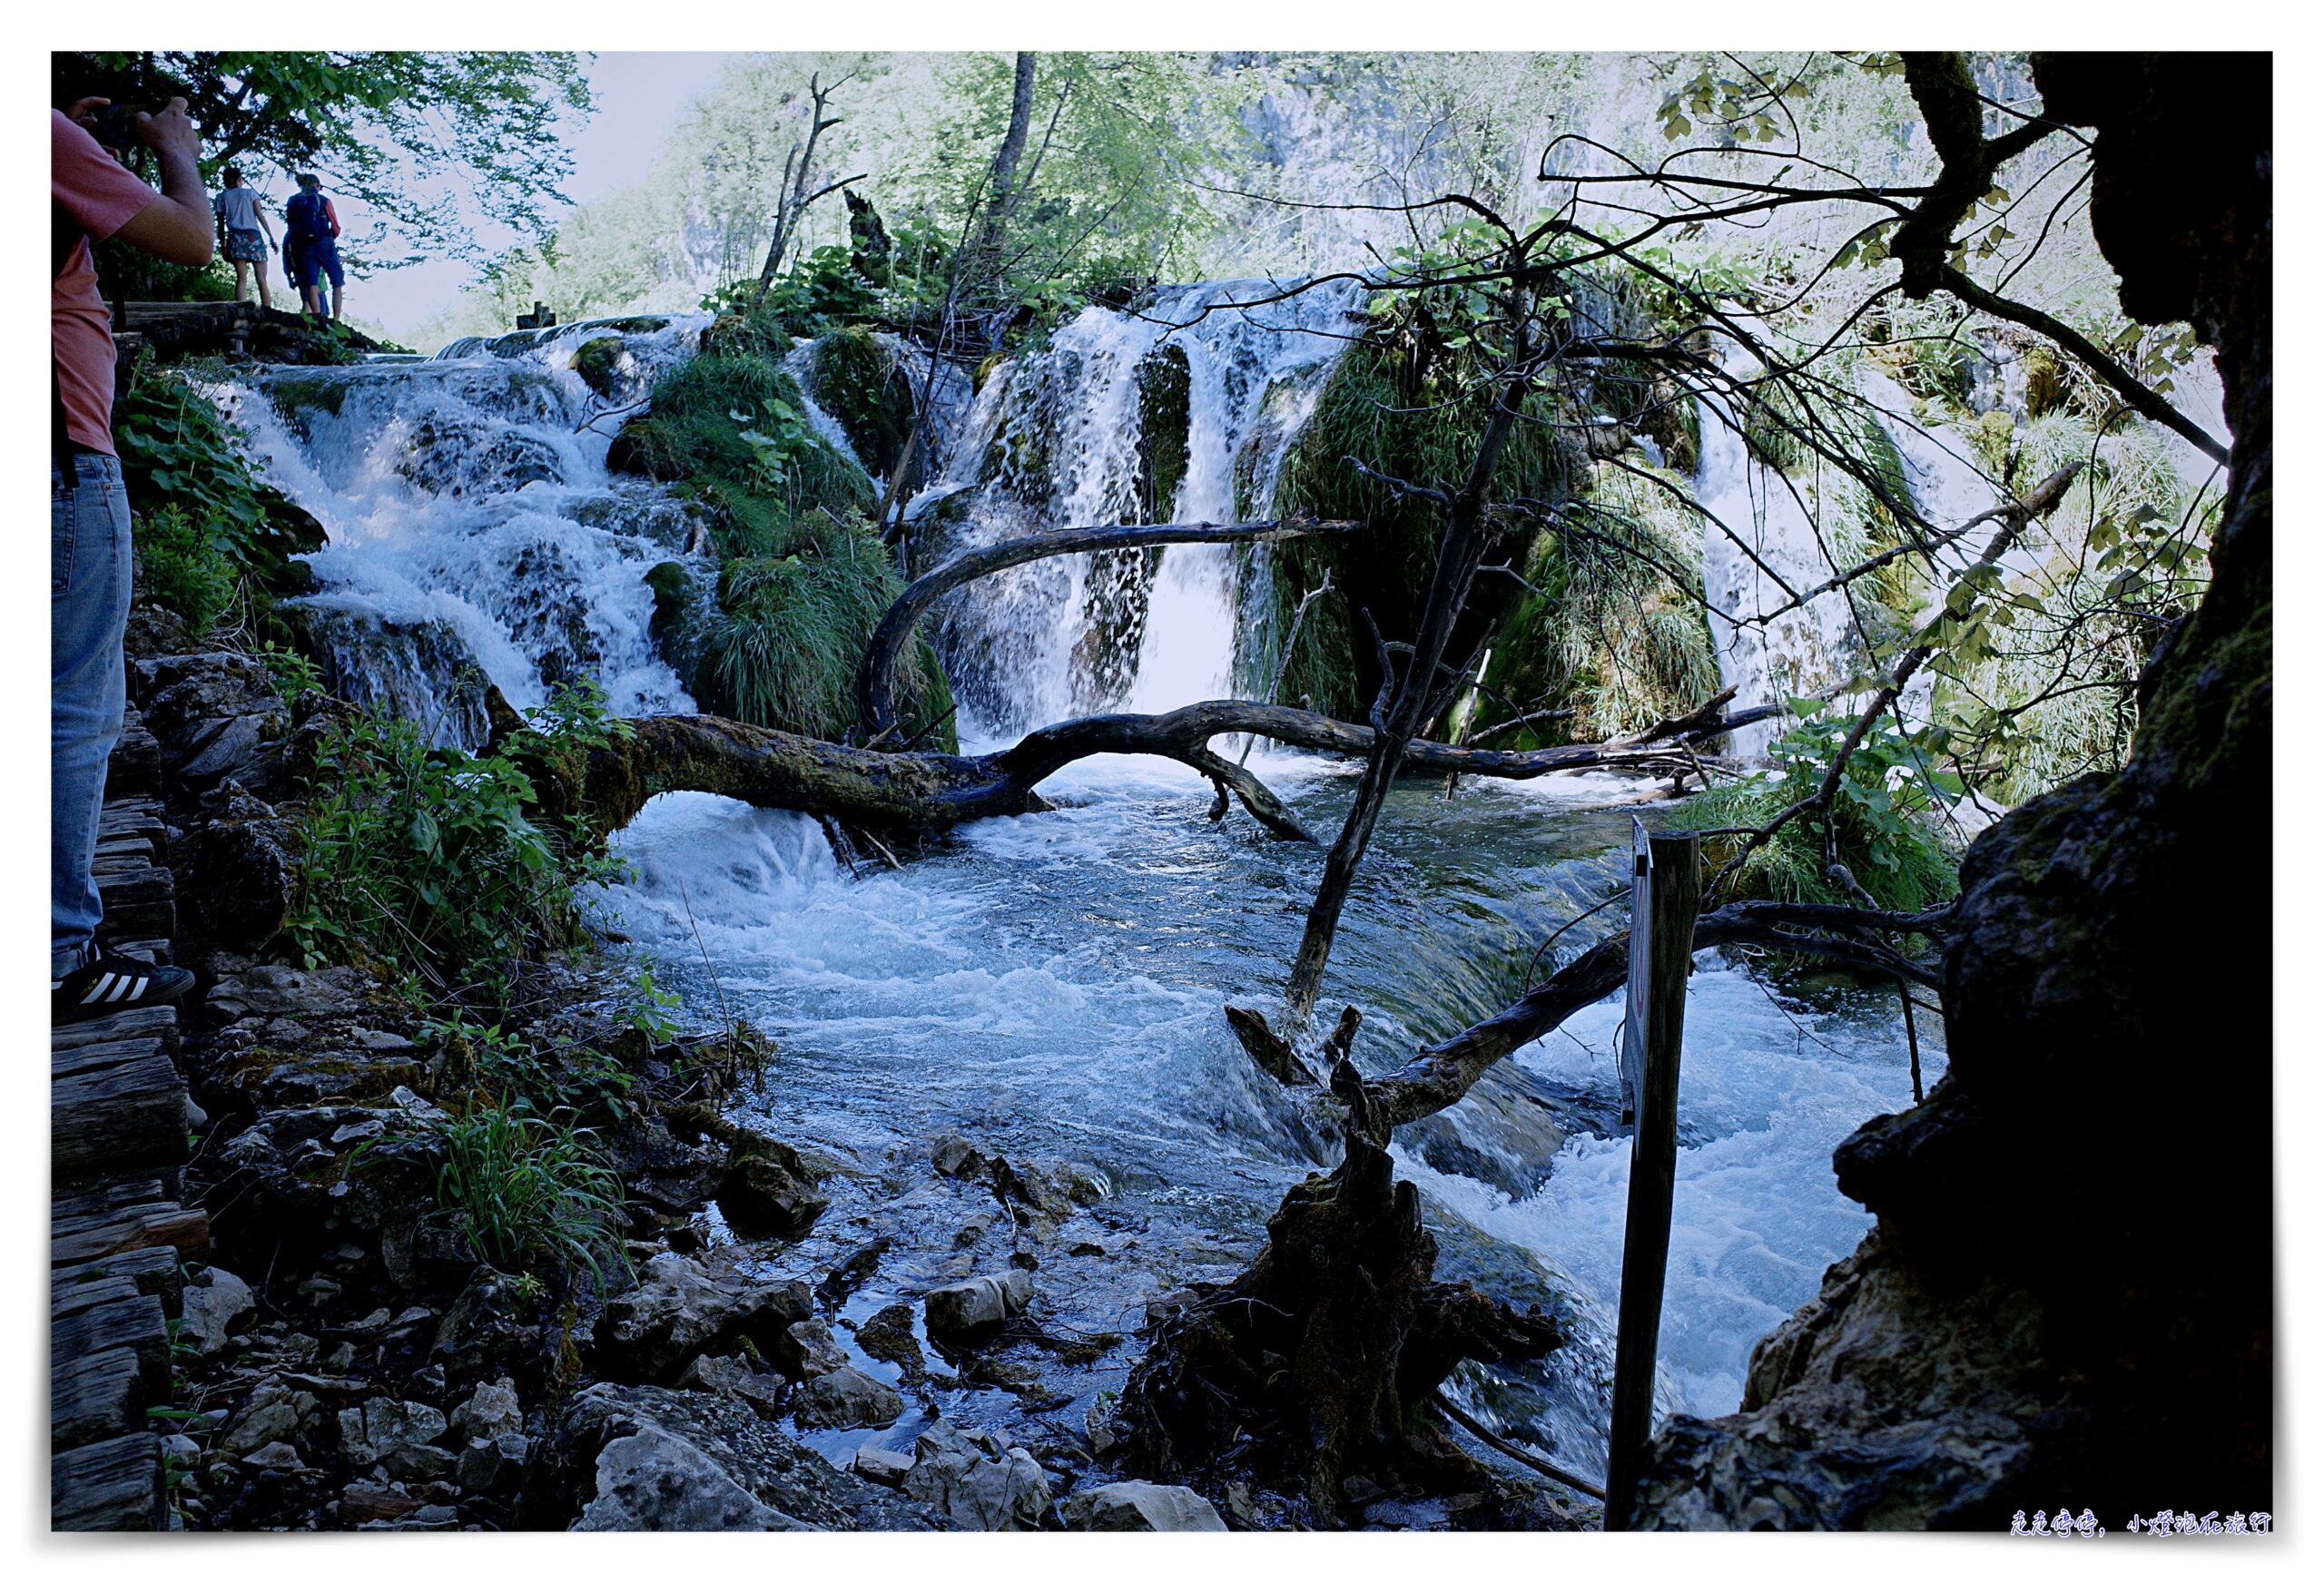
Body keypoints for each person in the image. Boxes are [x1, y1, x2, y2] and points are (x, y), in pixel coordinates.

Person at [52, 93, 212, 1018]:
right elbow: (194, 240)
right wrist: (175, 148)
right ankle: (58, 956)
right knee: (70, 711)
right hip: (60, 464)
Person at [212, 165, 274, 310]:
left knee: (242, 278)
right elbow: (260, 216)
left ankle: (241, 308)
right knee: (261, 278)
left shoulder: (221, 197)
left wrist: (223, 245)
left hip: (235, 236)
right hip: (253, 235)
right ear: (240, 179)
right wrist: (271, 237)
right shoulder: (251, 193)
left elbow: (220, 226)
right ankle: (268, 308)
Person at [283, 172, 344, 321]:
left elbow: (290, 226)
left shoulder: (292, 201)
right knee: (337, 282)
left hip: (304, 246)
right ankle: (336, 319)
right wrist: (329, 238)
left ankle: (316, 317)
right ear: (316, 185)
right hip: (325, 243)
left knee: (312, 283)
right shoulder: (325, 201)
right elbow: (336, 227)